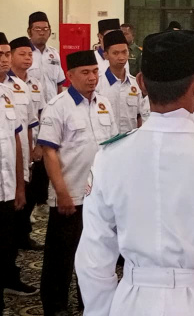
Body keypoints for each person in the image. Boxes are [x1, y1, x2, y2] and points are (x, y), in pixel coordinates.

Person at [75, 30, 194, 316]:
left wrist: (101, 311)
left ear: (141, 83)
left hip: (131, 301)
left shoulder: (109, 157)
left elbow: (93, 258)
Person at [37, 50, 118, 316]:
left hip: (99, 195)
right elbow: (49, 152)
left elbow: (111, 147)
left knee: (95, 254)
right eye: (85, 72)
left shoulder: (103, 103)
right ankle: (55, 306)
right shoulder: (57, 106)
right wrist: (62, 192)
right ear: (70, 75)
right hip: (70, 193)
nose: (92, 77)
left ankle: (90, 302)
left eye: (94, 71)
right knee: (61, 255)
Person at [0, 33, 33, 305]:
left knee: (7, 239)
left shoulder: (9, 93)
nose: (4, 59)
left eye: (6, 54)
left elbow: (17, 140)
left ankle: (9, 280)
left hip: (8, 183)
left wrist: (21, 184)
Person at [9, 37, 46, 251]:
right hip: (8, 150)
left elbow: (35, 118)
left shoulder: (33, 84)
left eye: (30, 54)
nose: (27, 58)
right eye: (22, 54)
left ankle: (23, 236)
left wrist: (37, 145)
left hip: (28, 147)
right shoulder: (5, 84)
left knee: (29, 193)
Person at [95, 30, 144, 133]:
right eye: (115, 53)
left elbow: (139, 116)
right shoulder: (97, 84)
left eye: (124, 52)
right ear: (106, 55)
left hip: (130, 140)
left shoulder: (135, 83)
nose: (121, 57)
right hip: (106, 140)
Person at [27, 11, 65, 103]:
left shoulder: (54, 54)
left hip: (52, 106)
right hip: (31, 106)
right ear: (29, 32)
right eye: (37, 29)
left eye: (45, 29)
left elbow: (59, 84)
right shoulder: (24, 54)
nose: (42, 33)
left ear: (49, 32)